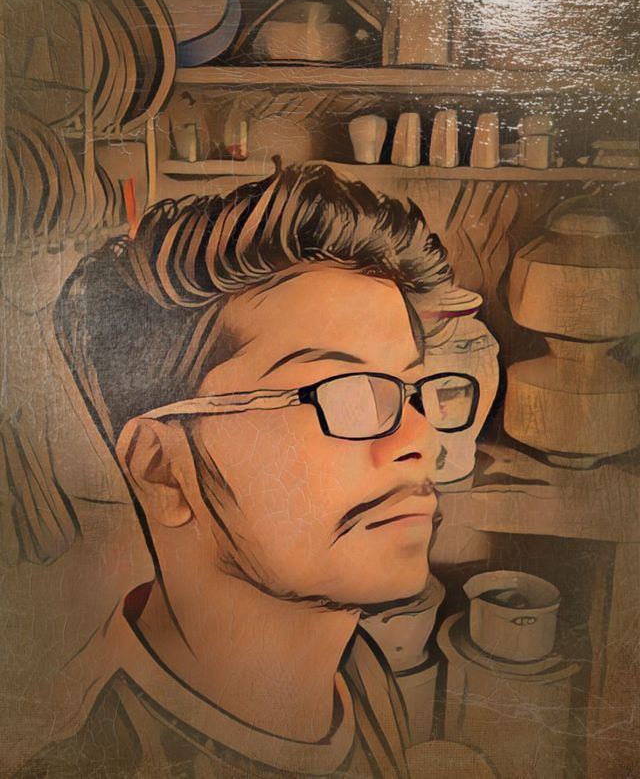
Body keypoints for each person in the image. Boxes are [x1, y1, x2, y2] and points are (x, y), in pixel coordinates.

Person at [17, 163, 491, 778]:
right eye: (346, 392)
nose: (420, 438)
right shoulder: (96, 761)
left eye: (411, 392)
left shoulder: (359, 675)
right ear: (162, 470)